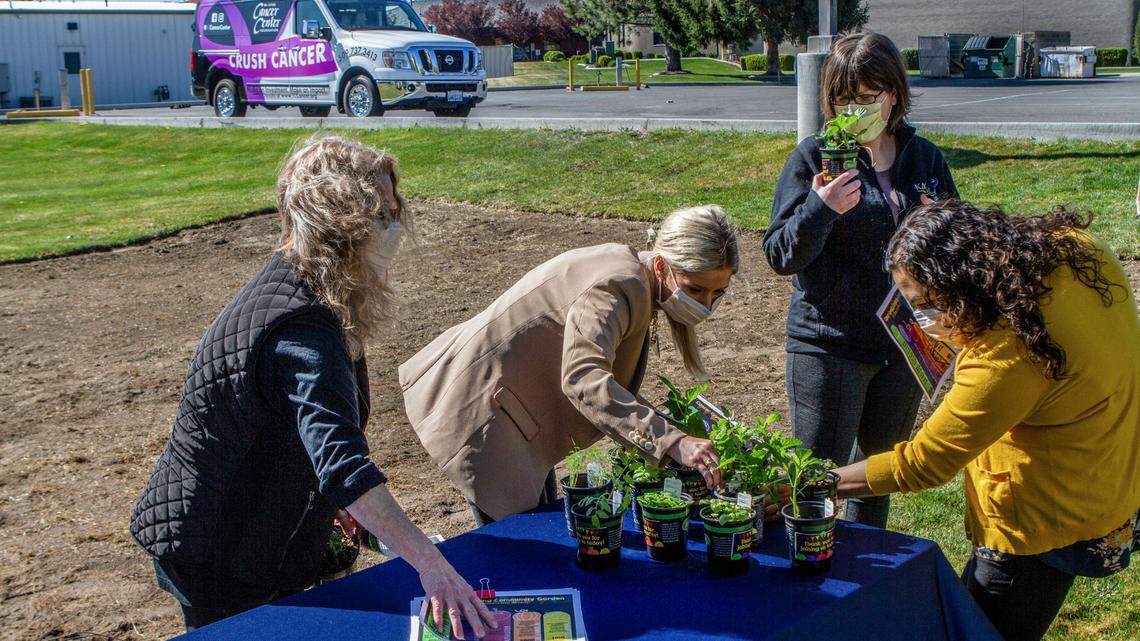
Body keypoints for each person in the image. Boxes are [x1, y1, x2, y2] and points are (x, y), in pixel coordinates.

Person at [130, 136, 495, 638]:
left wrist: (340, 511)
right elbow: (342, 462)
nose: (393, 229)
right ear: (342, 223)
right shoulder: (302, 328)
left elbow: (300, 437)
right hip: (217, 549)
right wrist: (429, 563)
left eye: (394, 211)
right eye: (381, 215)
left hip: (247, 532)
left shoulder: (306, 288)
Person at [834, 200, 1140, 641]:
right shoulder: (1077, 249)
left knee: (979, 632)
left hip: (1041, 520)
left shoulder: (1006, 356)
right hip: (1110, 472)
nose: (923, 320)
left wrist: (815, 482)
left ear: (962, 289)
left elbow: (922, 463)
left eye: (925, 305)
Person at [400, 206, 739, 524]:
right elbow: (583, 379)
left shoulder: (633, 275)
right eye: (696, 290)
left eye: (717, 293)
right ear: (663, 267)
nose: (706, 305)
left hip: (519, 413)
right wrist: (672, 442)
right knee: (516, 558)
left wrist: (672, 433)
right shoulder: (617, 286)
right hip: (484, 412)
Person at [763, 32, 958, 528]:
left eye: (866, 98)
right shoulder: (815, 158)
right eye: (841, 100)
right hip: (831, 345)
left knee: (875, 479)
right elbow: (781, 253)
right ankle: (806, 577)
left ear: (893, 93)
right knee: (815, 479)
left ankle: (862, 590)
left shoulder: (926, 159)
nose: (853, 110)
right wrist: (819, 209)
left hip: (903, 345)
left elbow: (957, 244)